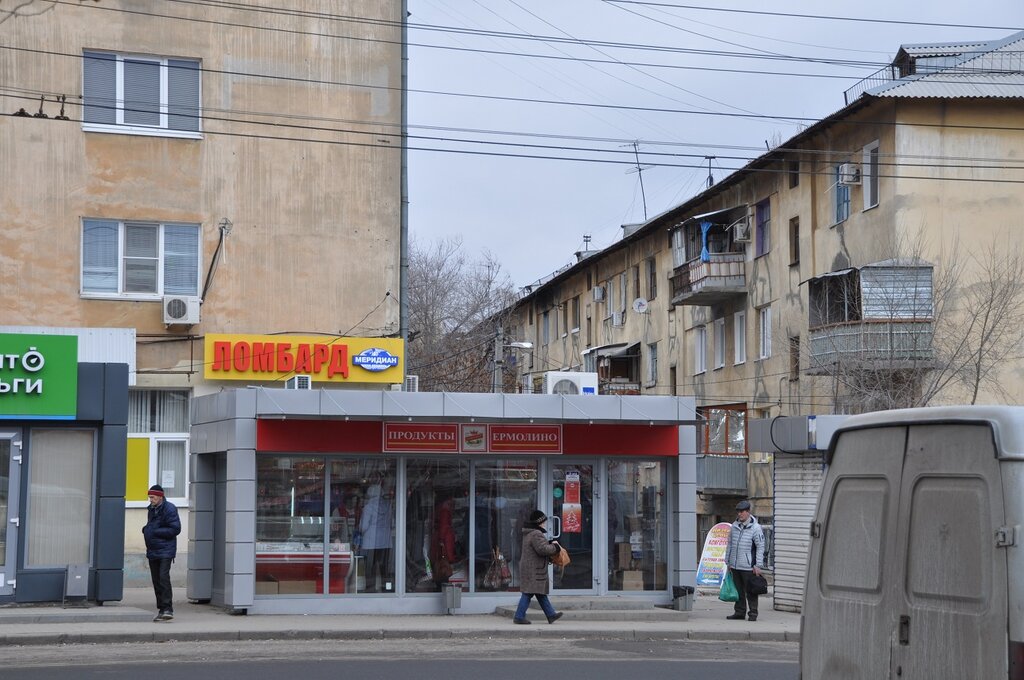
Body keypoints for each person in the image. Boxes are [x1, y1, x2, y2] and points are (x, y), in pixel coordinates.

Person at [512, 510, 564, 625]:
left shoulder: (530, 533)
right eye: (543, 522)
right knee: (528, 593)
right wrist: (555, 547)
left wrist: (549, 543)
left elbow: (539, 546)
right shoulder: (536, 533)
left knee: (539, 593)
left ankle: (551, 615)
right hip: (534, 569)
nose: (545, 524)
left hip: (530, 568)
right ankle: (519, 616)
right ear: (539, 522)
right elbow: (542, 549)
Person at [142, 484, 181, 622]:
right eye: (149, 497)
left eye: (152, 497)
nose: (150, 499)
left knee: (163, 578)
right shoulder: (151, 509)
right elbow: (152, 525)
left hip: (166, 550)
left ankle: (167, 609)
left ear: (160, 497)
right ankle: (162, 610)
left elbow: (175, 529)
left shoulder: (169, 508)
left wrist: (154, 532)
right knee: (156, 580)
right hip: (153, 550)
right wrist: (146, 529)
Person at [723, 499, 765, 622]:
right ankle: (739, 612)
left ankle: (753, 613)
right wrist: (728, 561)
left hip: (748, 566)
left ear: (748, 512)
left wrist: (758, 565)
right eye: (738, 512)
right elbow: (730, 544)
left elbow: (760, 546)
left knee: (751, 591)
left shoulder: (756, 528)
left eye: (742, 512)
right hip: (735, 565)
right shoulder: (734, 526)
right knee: (738, 591)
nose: (739, 514)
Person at [358, 483, 393, 592]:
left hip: (370, 542)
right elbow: (392, 523)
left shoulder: (368, 507)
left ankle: (371, 589)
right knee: (384, 567)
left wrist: (359, 530)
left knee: (370, 567)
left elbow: (363, 527)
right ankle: (386, 588)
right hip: (385, 541)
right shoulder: (388, 506)